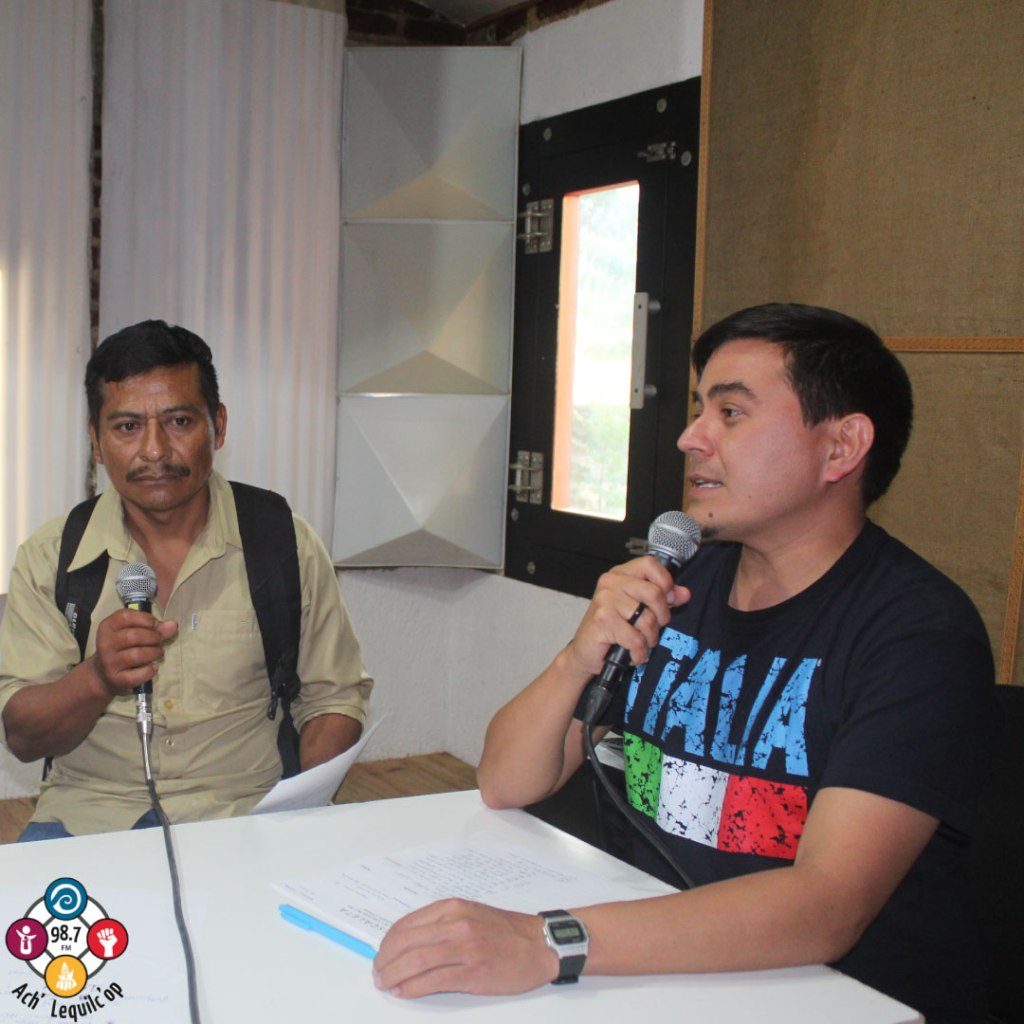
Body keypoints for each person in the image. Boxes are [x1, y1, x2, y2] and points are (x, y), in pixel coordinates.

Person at [373, 303, 994, 1022]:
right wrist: (578, 655)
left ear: (841, 448)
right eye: (700, 410)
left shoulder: (918, 633)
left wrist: (545, 941)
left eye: (730, 413)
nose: (689, 438)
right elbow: (506, 781)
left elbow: (825, 906)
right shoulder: (680, 582)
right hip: (658, 967)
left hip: (828, 998)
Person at [0, 320, 373, 839]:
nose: (154, 450)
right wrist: (97, 678)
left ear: (217, 426)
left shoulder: (283, 543)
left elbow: (334, 699)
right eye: (127, 427)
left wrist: (302, 815)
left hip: (246, 813)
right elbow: (23, 736)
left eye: (178, 421)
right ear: (96, 441)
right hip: (89, 816)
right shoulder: (51, 557)